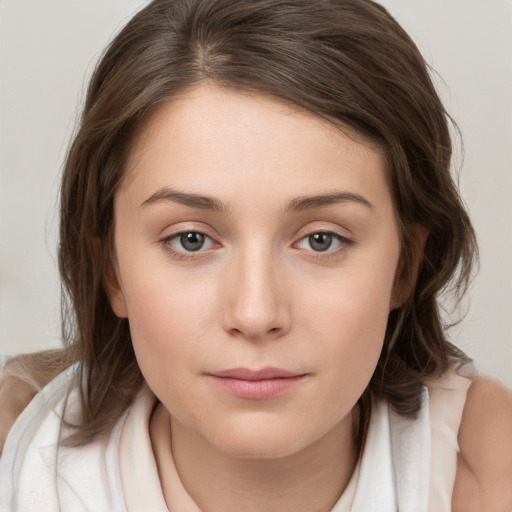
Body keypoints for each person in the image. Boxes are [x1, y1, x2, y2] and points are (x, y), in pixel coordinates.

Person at [0, 0, 511, 510]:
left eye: (321, 240)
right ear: (111, 271)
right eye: (191, 239)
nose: (255, 313)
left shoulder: (483, 466)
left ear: (405, 266)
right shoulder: (19, 466)